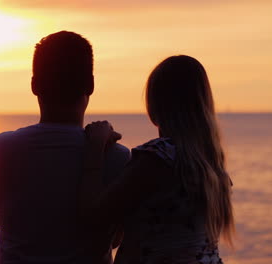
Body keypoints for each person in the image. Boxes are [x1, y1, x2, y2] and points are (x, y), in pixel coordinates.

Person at [0, 31, 130, 264]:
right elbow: (115, 238)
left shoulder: (0, 148)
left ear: (34, 85)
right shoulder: (118, 157)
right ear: (90, 85)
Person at [81, 55, 235, 264]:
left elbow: (94, 221)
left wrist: (94, 149)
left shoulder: (157, 158)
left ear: (154, 107)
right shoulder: (213, 167)